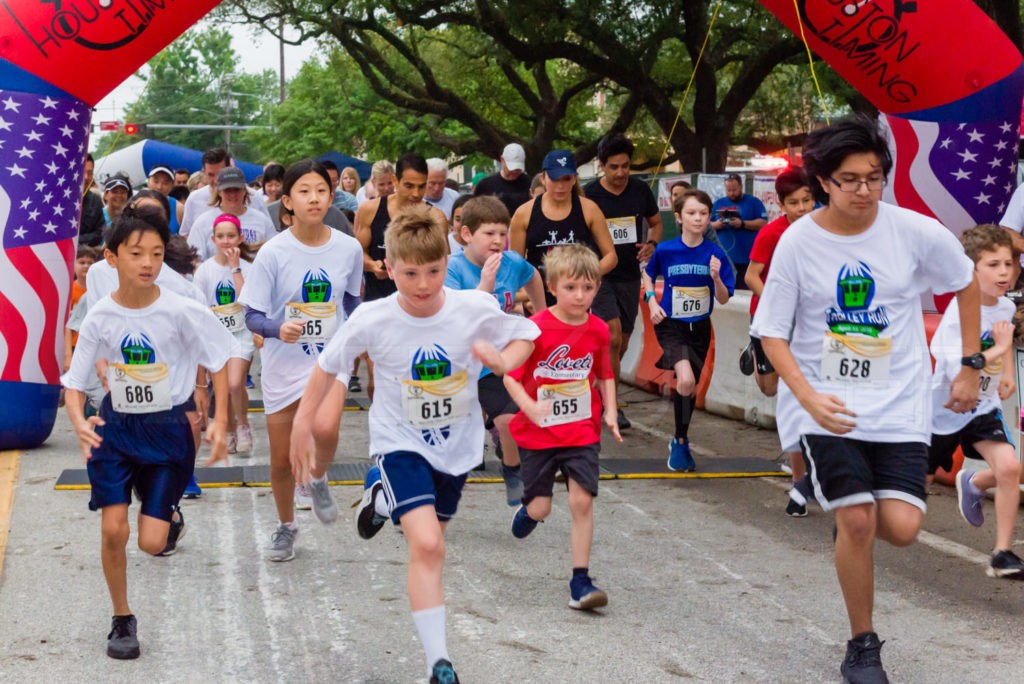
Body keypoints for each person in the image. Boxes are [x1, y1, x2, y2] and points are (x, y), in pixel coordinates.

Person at [751, 116, 981, 683]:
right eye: (850, 179)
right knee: (858, 519)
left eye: (874, 178)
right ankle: (863, 646)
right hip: (827, 405)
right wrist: (806, 397)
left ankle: (848, 518)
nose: (864, 191)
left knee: (900, 527)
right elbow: (771, 333)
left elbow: (967, 281)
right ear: (823, 181)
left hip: (899, 403)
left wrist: (972, 365)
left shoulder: (913, 231)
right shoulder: (799, 243)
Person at [290, 204, 540, 684]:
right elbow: (327, 365)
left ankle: (382, 498)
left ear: (448, 265)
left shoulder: (473, 306)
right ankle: (438, 664)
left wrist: (504, 360)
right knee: (427, 545)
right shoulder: (372, 318)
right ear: (389, 268)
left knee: (432, 540)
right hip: (399, 440)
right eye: (409, 273)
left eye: (434, 271)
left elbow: (527, 333)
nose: (423, 284)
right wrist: (304, 422)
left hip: (458, 447)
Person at [60, 205, 231, 660]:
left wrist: (219, 419)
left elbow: (222, 359)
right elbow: (74, 383)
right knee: (114, 528)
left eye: (156, 253)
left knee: (152, 543)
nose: (148, 263)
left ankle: (169, 517)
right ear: (112, 259)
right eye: (137, 253)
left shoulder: (181, 310)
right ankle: (122, 618)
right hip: (116, 430)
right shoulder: (99, 316)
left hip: (166, 431)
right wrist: (79, 422)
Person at [238, 159, 364, 561]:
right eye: (304, 191)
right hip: (282, 362)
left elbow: (351, 301)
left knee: (325, 428)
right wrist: (279, 329)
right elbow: (252, 314)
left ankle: (319, 476)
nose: (314, 198)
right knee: (280, 460)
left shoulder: (348, 248)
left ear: (332, 197)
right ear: (286, 200)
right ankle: (286, 526)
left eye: (322, 190)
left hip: (330, 359)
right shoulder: (274, 253)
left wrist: (355, 338)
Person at [505, 243, 622, 611]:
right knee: (542, 509)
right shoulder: (535, 328)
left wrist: (612, 414)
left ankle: (580, 581)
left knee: (581, 501)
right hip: (538, 434)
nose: (580, 295)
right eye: (571, 288)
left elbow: (604, 374)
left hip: (581, 431)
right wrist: (527, 405)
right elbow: (510, 375)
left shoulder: (599, 330)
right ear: (552, 287)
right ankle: (528, 511)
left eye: (588, 288)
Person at [929, 224, 1023, 578]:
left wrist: (1008, 371)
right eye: (993, 265)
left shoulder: (1003, 307)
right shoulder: (958, 313)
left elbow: (1005, 341)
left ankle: (1002, 553)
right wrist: (997, 349)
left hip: (984, 408)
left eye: (1009, 264)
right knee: (912, 490)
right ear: (970, 271)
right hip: (945, 408)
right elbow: (958, 368)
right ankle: (864, 521)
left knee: (1010, 468)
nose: (1005, 272)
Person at [445, 195, 546, 505]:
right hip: (458, 362)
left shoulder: (512, 261)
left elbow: (533, 276)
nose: (498, 241)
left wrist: (542, 315)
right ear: (466, 235)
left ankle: (512, 470)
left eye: (503, 234)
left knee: (508, 421)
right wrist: (485, 287)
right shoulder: (452, 268)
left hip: (495, 361)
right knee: (446, 439)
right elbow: (452, 316)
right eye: (489, 234)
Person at [742, 166, 816, 516]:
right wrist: (779, 304)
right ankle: (753, 353)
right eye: (794, 203)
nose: (802, 208)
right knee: (771, 389)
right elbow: (751, 275)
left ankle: (803, 477)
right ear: (781, 204)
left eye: (807, 200)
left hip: (807, 330)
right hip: (770, 321)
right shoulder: (773, 234)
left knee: (794, 396)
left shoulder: (821, 230)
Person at [643, 189, 734, 472]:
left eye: (703, 214)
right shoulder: (666, 249)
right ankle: (681, 442)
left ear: (709, 217)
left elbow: (723, 298)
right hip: (671, 325)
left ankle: (679, 440)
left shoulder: (715, 253)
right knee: (684, 381)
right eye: (691, 213)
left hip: (700, 328)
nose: (698, 219)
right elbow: (648, 273)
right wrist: (651, 301)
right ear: (679, 217)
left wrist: (717, 277)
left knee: (690, 385)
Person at [584, 134, 663, 430]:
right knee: (613, 336)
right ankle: (610, 405)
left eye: (625, 166)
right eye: (614, 167)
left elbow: (655, 223)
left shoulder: (640, 190)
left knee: (622, 343)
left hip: (630, 275)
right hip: (600, 274)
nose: (620, 173)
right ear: (601, 165)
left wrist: (652, 244)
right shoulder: (589, 194)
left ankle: (598, 386)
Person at [510, 150, 617, 307]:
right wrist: (524, 297)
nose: (560, 186)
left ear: (574, 179)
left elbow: (611, 256)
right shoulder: (524, 213)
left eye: (566, 179)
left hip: (576, 298)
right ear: (543, 178)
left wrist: (584, 278)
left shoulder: (589, 209)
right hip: (539, 298)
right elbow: (516, 264)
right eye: (555, 179)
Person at [193, 214, 262, 456]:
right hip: (215, 338)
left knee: (235, 383)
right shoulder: (204, 271)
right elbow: (199, 309)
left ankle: (242, 424)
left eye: (231, 236)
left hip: (241, 335)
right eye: (220, 236)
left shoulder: (250, 268)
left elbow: (247, 301)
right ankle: (230, 430)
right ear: (213, 239)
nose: (225, 241)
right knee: (223, 388)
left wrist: (236, 269)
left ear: (241, 237)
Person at [187, 167, 274, 262]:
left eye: (237, 189)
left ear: (245, 191)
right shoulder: (203, 222)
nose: (232, 195)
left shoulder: (262, 220)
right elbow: (193, 260)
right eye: (227, 190)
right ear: (219, 191)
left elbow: (273, 255)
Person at [180, 148, 271, 236]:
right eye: (211, 175)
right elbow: (186, 234)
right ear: (203, 172)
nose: (216, 180)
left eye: (220, 173)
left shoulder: (254, 196)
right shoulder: (194, 199)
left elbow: (268, 231)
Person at [710, 173, 768, 287]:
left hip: (747, 258)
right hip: (724, 258)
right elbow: (706, 224)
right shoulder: (719, 203)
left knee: (745, 290)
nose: (732, 193)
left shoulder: (754, 202)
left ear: (741, 187)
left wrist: (742, 224)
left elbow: (763, 223)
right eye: (729, 190)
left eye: (735, 190)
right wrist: (717, 224)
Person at [474, 143, 532, 216]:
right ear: (502, 160)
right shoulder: (485, 185)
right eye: (511, 168)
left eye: (518, 169)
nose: (514, 172)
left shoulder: (530, 183)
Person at [64, 245, 97, 372]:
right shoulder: (69, 290)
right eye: (82, 262)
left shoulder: (98, 290)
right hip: (74, 343)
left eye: (90, 263)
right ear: (74, 265)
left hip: (93, 345)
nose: (86, 266)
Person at [145, 164, 185, 234]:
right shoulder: (136, 205)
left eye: (165, 183)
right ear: (148, 182)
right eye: (156, 181)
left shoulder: (179, 209)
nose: (159, 187)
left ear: (172, 185)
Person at [79, 154, 106, 247]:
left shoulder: (95, 201)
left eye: (90, 173)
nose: (86, 177)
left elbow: (99, 234)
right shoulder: (59, 200)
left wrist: (75, 241)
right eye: (82, 172)